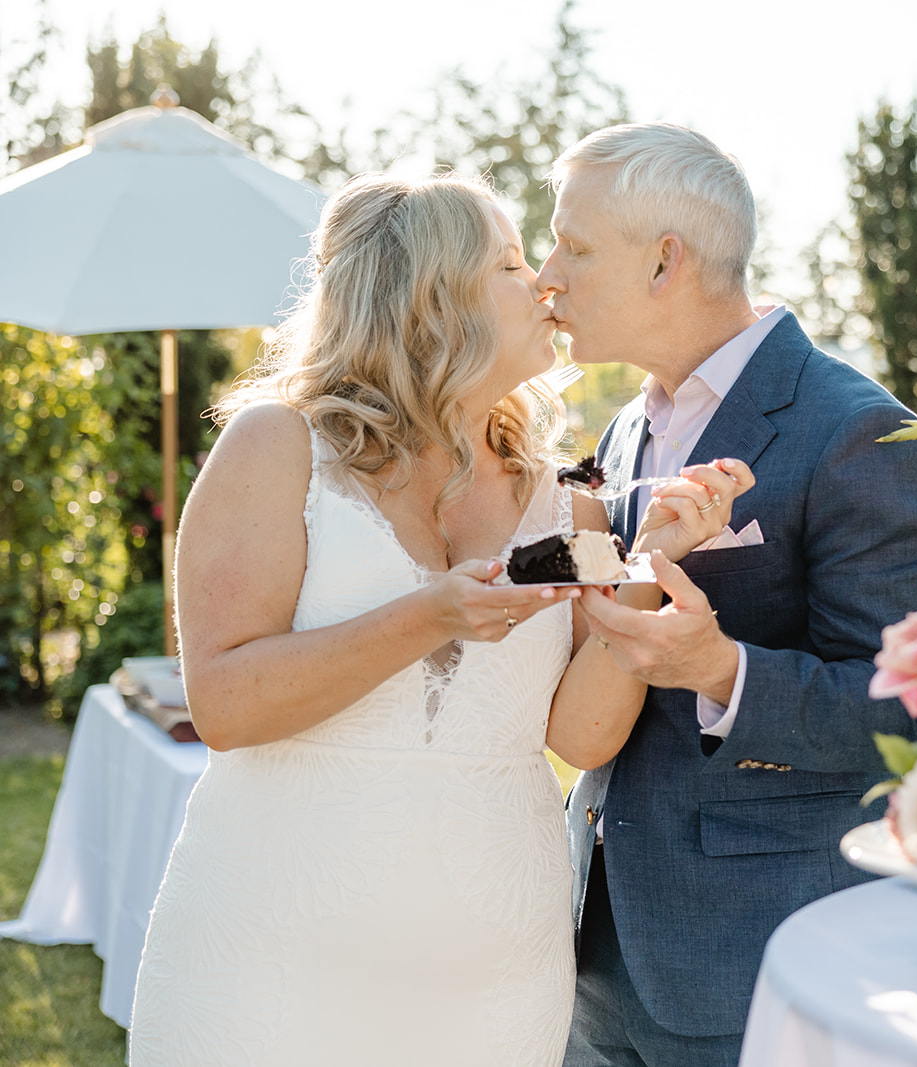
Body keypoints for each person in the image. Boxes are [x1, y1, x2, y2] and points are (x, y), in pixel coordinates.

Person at [128, 171, 751, 1066]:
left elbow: (581, 736)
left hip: (496, 979)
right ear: (433, 298)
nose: (544, 278)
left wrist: (652, 558)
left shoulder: (567, 504)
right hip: (272, 959)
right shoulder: (278, 448)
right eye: (508, 261)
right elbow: (224, 705)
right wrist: (426, 615)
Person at [537, 123, 917, 1067]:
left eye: (573, 243)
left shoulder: (859, 435)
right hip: (595, 940)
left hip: (759, 962)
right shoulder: (619, 434)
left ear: (663, 262)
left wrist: (720, 669)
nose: (546, 273)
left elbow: (912, 714)